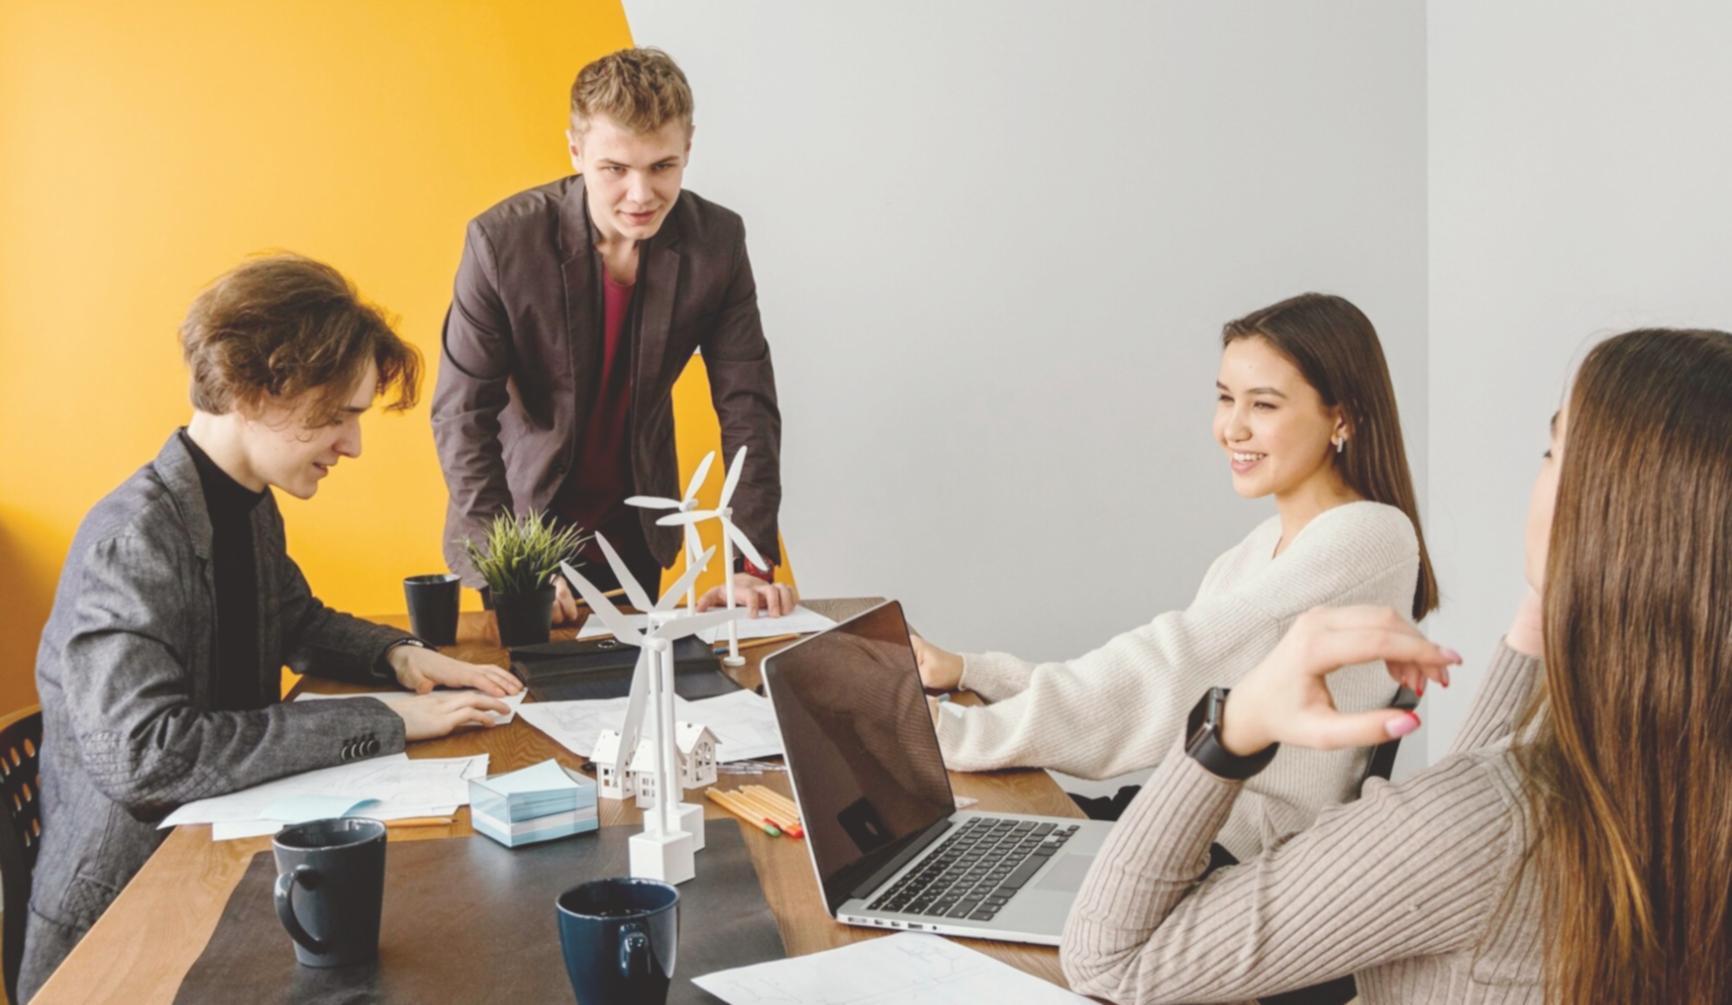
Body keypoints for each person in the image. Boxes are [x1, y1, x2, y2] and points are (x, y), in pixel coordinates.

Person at [1060, 327, 1732, 1002]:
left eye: (1552, 450)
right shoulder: (1669, 801)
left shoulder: (1486, 823)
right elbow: (1485, 825)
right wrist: (1548, 606)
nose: (1232, 426)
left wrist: (1233, 724)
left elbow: (1111, 961)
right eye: (1226, 398)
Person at [19, 255, 519, 1000]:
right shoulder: (132, 543)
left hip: (219, 873)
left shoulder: (248, 504)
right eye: (342, 414)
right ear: (259, 389)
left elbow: (294, 618)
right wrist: (384, 717)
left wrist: (402, 655)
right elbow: (148, 757)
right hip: (122, 935)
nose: (352, 444)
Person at [915, 292, 1439, 858]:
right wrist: (976, 672)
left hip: (1230, 858)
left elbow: (1170, 670)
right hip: (1178, 821)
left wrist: (952, 734)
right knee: (939, 846)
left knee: (946, 854)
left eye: (1262, 406)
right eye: (1225, 399)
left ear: (1342, 416)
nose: (1231, 428)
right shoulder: (1261, 548)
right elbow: (1146, 675)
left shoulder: (1367, 535)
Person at [431, 46, 794, 622]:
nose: (641, 195)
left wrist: (748, 564)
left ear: (688, 149)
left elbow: (748, 406)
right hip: (519, 528)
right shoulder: (501, 244)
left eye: (662, 167)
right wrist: (513, 569)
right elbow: (461, 416)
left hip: (636, 531)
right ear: (576, 151)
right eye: (615, 169)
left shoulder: (716, 243)